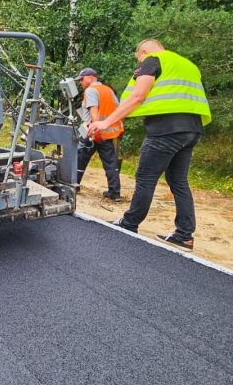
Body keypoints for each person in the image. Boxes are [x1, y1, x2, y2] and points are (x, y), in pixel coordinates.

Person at [87, 39, 211, 250]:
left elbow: (138, 96)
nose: (140, 62)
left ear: (143, 51)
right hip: (192, 129)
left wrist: (107, 122)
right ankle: (184, 234)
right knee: (178, 181)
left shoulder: (152, 60)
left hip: (165, 129)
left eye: (139, 58)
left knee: (145, 177)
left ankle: (129, 224)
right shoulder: (187, 64)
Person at [74, 68, 123, 201]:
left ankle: (74, 186)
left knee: (79, 159)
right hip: (107, 134)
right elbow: (118, 110)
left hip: (92, 132)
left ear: (91, 77)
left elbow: (94, 110)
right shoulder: (108, 90)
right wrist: (120, 128)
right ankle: (115, 192)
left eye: (82, 79)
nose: (80, 83)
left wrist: (96, 130)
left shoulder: (91, 90)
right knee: (111, 163)